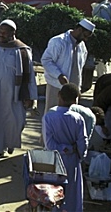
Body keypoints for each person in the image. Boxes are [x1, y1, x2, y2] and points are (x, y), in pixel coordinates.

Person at [0, 19, 37, 161]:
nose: (1, 35)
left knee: (15, 121)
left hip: (13, 94)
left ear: (13, 33)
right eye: (0, 32)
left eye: (5, 33)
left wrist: (30, 96)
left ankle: (9, 144)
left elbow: (30, 76)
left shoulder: (22, 51)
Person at [43, 83, 88, 212]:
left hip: (54, 161)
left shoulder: (49, 117)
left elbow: (49, 145)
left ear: (59, 95)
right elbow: (83, 142)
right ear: (75, 100)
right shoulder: (78, 119)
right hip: (72, 161)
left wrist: (63, 148)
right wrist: (79, 155)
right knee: (72, 193)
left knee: (54, 192)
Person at [41, 19, 95, 113]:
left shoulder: (82, 47)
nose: (85, 39)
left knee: (71, 116)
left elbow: (79, 69)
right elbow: (46, 60)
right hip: (56, 85)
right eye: (85, 36)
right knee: (53, 115)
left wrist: (79, 88)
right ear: (79, 30)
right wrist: (59, 75)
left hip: (73, 89)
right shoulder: (58, 41)